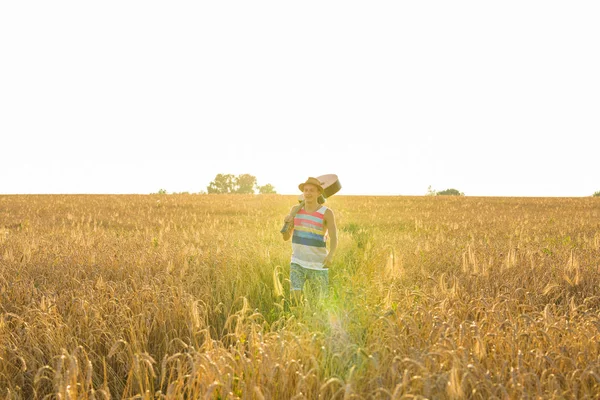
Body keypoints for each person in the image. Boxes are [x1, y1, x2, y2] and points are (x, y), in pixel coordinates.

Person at [281, 177, 338, 303]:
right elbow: (286, 238)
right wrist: (286, 224)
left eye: (312, 190)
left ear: (319, 193)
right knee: (295, 302)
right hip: (297, 262)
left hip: (318, 264)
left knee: (319, 304)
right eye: (306, 190)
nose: (308, 193)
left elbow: (334, 237)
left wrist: (331, 255)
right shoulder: (295, 210)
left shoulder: (327, 213)